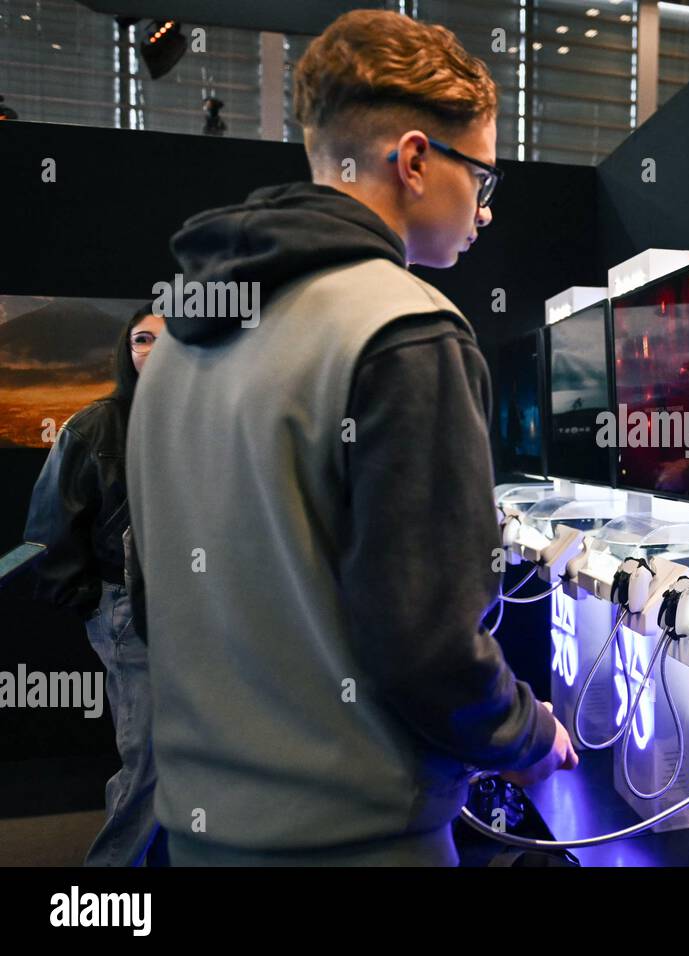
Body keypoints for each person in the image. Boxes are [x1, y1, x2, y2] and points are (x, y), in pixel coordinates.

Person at [125, 9, 576, 867]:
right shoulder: (405, 330)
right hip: (362, 842)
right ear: (414, 161)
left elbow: (158, 602)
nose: (483, 211)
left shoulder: (181, 339)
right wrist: (526, 735)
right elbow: (428, 646)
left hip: (198, 834)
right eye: (482, 178)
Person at [23, 306, 167, 866]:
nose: (155, 350)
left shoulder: (213, 421)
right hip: (129, 610)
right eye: (142, 339)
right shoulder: (94, 426)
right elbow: (46, 534)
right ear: (127, 351)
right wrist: (97, 603)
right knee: (149, 762)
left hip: (204, 616)